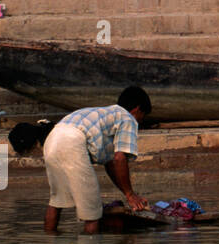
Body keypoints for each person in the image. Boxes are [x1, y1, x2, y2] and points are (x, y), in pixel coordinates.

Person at [42, 86, 152, 234]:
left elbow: (111, 164)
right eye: (142, 116)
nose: (140, 121)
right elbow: (120, 158)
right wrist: (131, 195)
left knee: (56, 201)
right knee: (92, 214)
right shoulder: (127, 118)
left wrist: (128, 194)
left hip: (52, 138)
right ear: (137, 109)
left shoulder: (105, 114)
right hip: (72, 141)